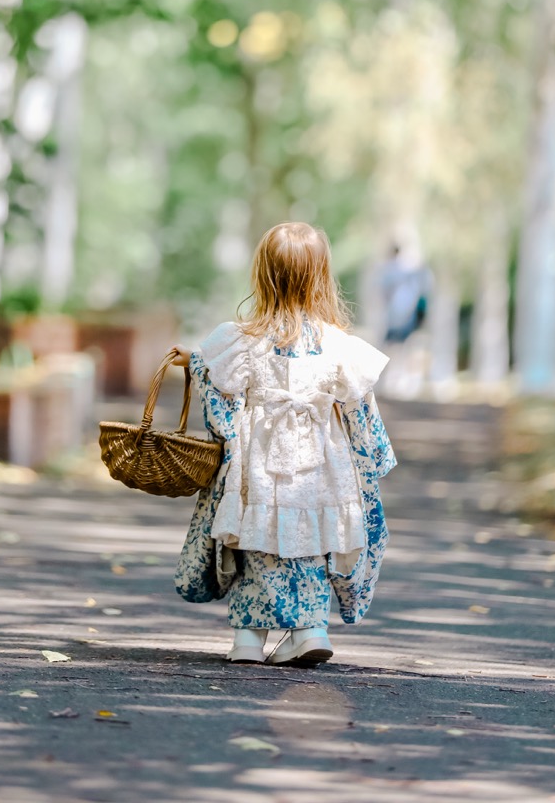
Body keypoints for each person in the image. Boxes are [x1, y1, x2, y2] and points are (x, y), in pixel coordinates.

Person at [169, 221, 396, 667]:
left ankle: (248, 642)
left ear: (263, 274)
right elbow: (360, 411)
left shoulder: (241, 341)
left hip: (258, 471)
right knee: (310, 542)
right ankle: (310, 630)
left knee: (256, 543)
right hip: (321, 473)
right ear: (321, 276)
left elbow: (223, 406)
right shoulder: (338, 346)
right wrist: (372, 459)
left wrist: (195, 362)